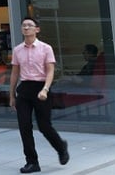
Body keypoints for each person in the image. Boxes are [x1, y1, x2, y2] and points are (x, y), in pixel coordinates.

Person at [10, 17, 69, 173]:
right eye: (24, 25)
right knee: (24, 127)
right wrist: (11, 95)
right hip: (24, 90)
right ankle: (32, 162)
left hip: (41, 88)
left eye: (30, 25)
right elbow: (14, 74)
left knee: (44, 126)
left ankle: (61, 147)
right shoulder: (17, 50)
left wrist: (45, 89)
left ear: (37, 29)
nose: (26, 28)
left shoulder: (46, 48)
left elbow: (50, 71)